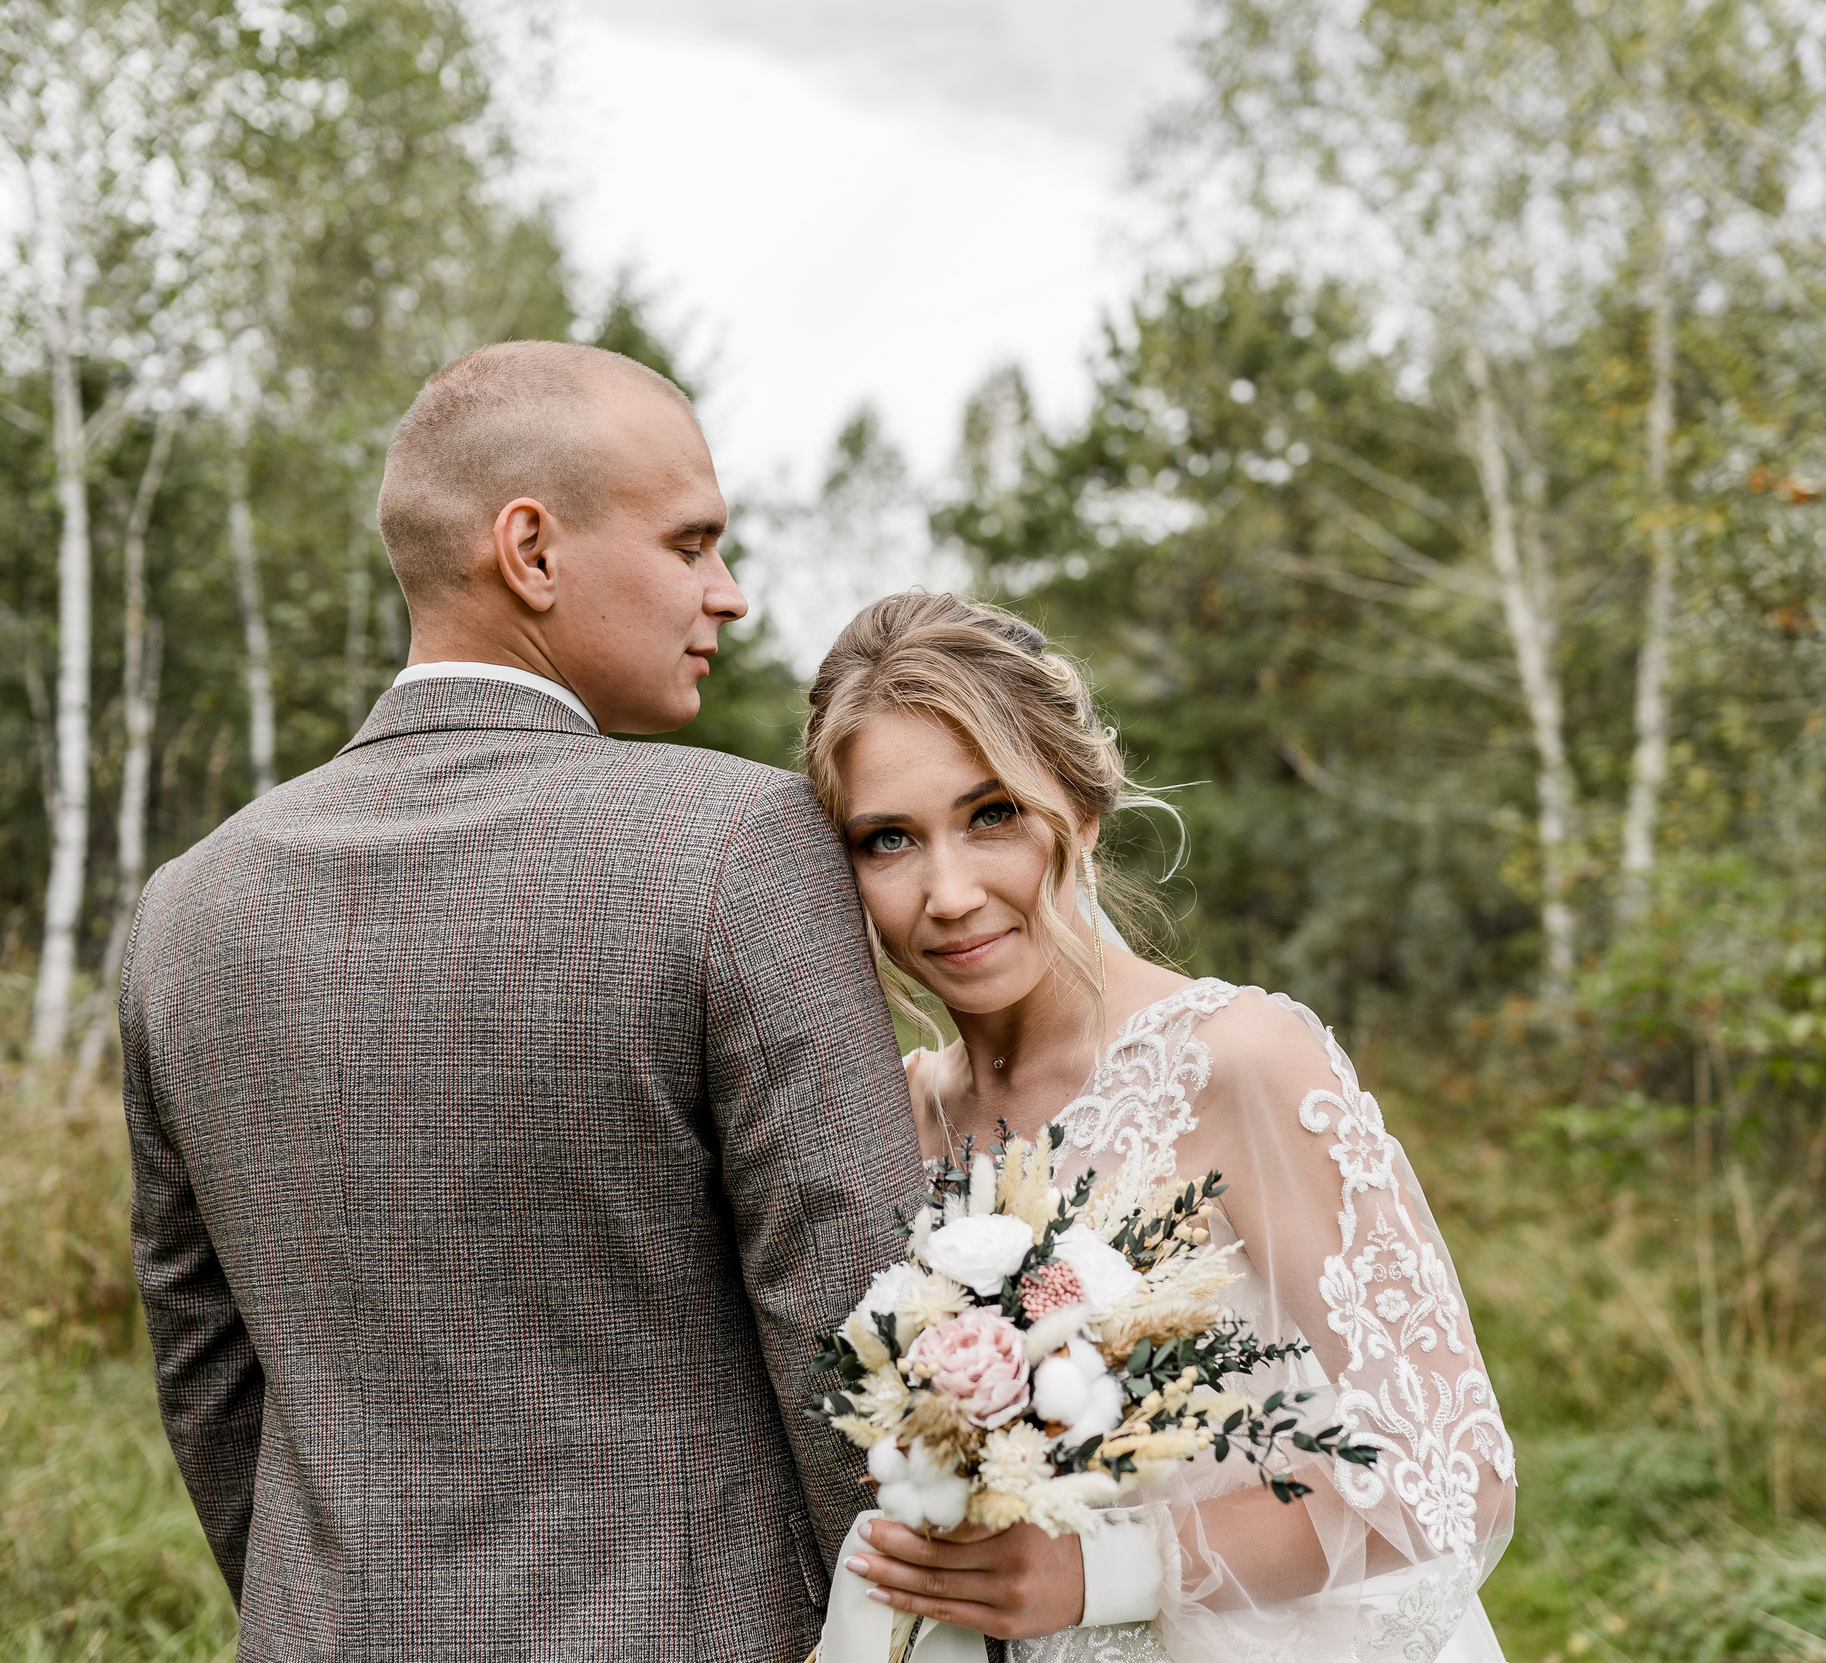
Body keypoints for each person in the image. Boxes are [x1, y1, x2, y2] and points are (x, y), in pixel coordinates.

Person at [120, 341, 927, 1661]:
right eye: (690, 544)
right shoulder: (740, 844)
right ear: (532, 551)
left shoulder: (186, 908)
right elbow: (858, 1333)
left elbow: (205, 1372)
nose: (727, 595)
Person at [798, 592, 1517, 1663]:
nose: (947, 893)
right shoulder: (889, 1117)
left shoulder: (1235, 1061)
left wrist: (1099, 1574)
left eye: (992, 815)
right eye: (888, 839)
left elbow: (1455, 1474)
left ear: (1082, 810)